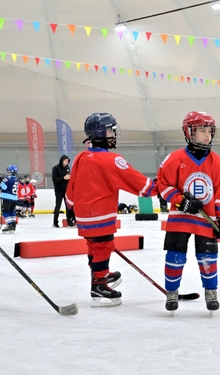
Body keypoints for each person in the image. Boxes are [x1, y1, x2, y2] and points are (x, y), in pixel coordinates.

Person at [65, 113, 158, 308]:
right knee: (103, 244)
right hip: (99, 213)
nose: (112, 134)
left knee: (94, 244)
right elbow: (136, 181)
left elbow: (71, 186)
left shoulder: (81, 156)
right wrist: (155, 186)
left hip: (84, 213)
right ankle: (99, 283)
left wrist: (71, 206)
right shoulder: (112, 160)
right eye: (109, 131)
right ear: (99, 132)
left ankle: (100, 274)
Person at [156, 111, 220, 313]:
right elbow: (162, 186)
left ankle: (211, 291)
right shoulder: (175, 159)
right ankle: (172, 292)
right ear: (189, 132)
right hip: (179, 219)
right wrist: (181, 201)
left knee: (207, 257)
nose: (207, 135)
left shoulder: (218, 163)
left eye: (209, 131)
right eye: (201, 131)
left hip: (206, 221)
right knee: (175, 256)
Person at [52, 154, 73, 228]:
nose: (67, 162)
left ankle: (69, 221)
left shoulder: (67, 168)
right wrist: (63, 178)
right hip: (58, 190)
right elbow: (54, 179)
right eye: (65, 160)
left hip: (66, 190)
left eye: (68, 161)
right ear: (61, 161)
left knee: (68, 206)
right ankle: (55, 222)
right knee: (58, 205)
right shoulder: (55, 168)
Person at [0, 165, 19, 233]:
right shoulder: (16, 179)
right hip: (14, 198)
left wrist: (1, 180)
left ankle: (9, 224)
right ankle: (13, 225)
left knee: (5, 212)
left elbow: (2, 187)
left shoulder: (7, 178)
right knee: (11, 211)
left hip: (7, 198)